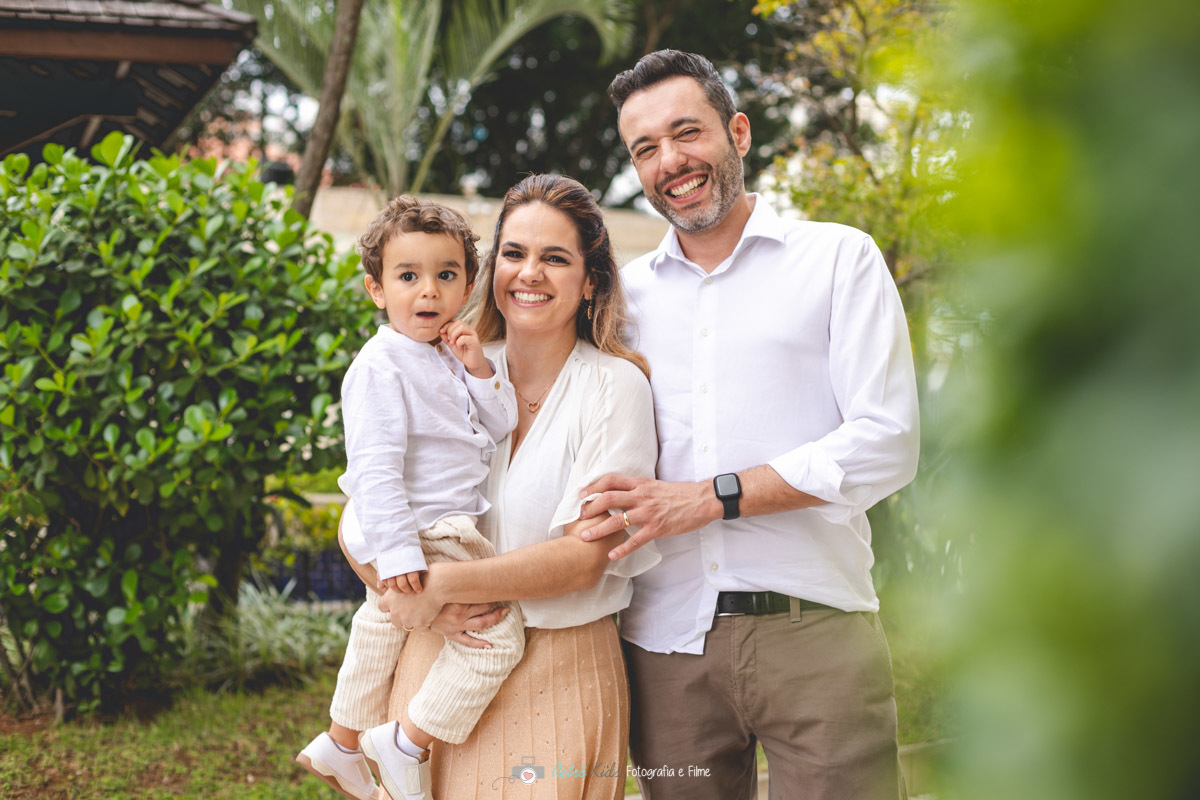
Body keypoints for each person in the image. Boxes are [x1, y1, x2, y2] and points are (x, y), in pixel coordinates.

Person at [578, 50, 921, 800]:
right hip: (664, 643)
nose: (671, 161)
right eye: (646, 149)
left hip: (816, 628)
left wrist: (711, 497)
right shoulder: (621, 301)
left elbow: (887, 443)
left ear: (738, 131)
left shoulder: (838, 260)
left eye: (687, 132)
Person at [342, 173, 661, 799]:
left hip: (560, 669)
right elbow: (366, 505)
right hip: (434, 670)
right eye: (514, 254)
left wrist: (434, 588)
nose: (529, 273)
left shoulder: (614, 388)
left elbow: (582, 560)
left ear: (591, 280)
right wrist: (393, 585)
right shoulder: (442, 366)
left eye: (556, 258)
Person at [298, 196, 527, 800]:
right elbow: (375, 470)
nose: (428, 291)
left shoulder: (448, 356)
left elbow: (501, 424)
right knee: (497, 636)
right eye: (408, 277)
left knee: (379, 625)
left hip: (426, 530)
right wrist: (399, 558)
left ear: (468, 286)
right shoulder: (380, 365)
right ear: (377, 289)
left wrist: (478, 368)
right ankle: (407, 743)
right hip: (424, 533)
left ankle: (340, 741)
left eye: (445, 276)